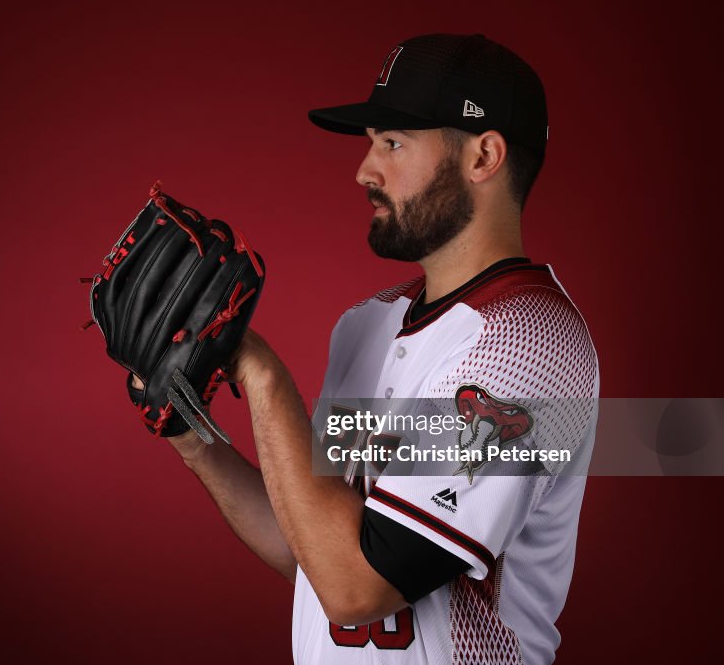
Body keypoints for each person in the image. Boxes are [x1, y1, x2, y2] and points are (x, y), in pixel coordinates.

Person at [152, 33, 599, 664]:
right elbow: (311, 549)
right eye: (370, 144)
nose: (365, 170)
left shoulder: (530, 345)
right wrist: (196, 442)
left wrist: (258, 370)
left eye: (393, 143)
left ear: (484, 156)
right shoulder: (367, 324)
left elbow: (358, 588)